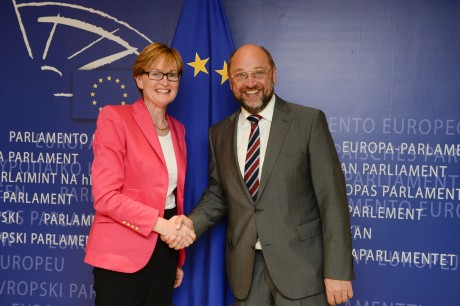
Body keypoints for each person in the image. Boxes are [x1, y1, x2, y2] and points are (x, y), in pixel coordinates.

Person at [165, 44, 355, 305]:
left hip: (302, 270)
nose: (250, 82)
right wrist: (191, 224)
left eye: (258, 73)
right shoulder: (219, 133)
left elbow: (332, 200)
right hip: (246, 273)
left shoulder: (308, 122)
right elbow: (219, 195)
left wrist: (338, 271)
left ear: (274, 74)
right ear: (231, 82)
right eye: (241, 75)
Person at [84, 42, 196, 306]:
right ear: (139, 79)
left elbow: (171, 197)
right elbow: (105, 197)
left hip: (165, 250)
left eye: (172, 75)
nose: (164, 81)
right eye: (155, 74)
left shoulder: (178, 130)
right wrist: (162, 226)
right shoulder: (115, 118)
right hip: (120, 254)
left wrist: (174, 258)